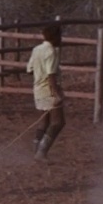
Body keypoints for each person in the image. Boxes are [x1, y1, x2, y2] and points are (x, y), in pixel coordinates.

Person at [26, 22, 66, 160]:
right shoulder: (51, 52)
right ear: (55, 37)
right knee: (58, 122)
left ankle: (36, 148)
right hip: (48, 90)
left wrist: (39, 74)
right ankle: (41, 152)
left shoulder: (36, 49)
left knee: (44, 121)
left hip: (37, 89)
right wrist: (57, 94)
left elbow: (29, 70)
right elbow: (51, 75)